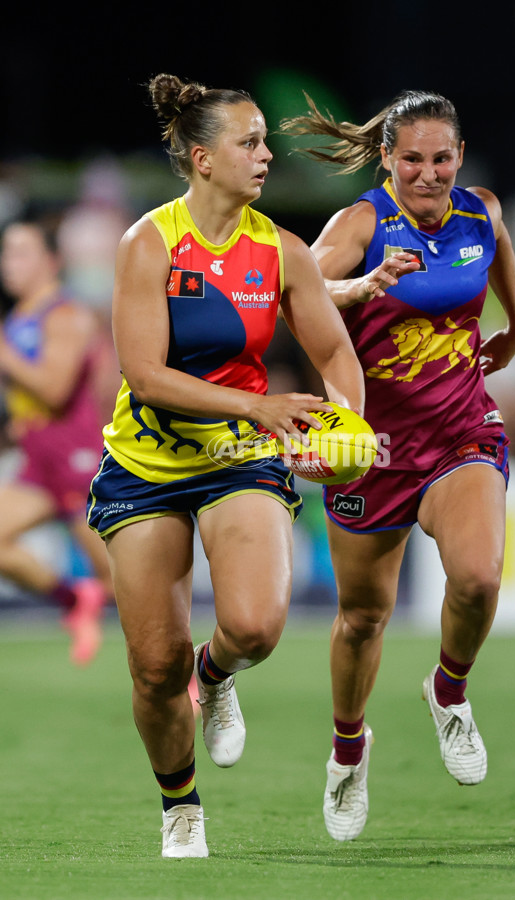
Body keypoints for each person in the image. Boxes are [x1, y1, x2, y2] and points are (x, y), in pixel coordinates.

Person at [85, 72, 365, 859]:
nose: (266, 155)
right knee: (150, 667)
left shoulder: (281, 250)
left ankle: (215, 674)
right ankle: (180, 804)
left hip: (239, 457)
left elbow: (336, 353)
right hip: (146, 463)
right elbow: (146, 375)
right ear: (203, 159)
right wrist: (259, 406)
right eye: (250, 142)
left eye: (265, 141)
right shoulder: (151, 241)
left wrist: (349, 429)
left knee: (254, 624)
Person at [281, 90, 515, 840]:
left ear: (459, 157)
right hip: (373, 449)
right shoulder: (361, 223)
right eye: (413, 159)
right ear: (388, 157)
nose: (429, 174)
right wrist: (361, 286)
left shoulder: (478, 212)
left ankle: (448, 690)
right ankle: (348, 753)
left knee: (481, 576)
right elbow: (301, 292)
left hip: (461, 431)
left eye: (442, 158)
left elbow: (503, 274)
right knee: (362, 619)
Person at [0, 214, 112, 665]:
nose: (9, 264)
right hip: (39, 463)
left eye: (21, 253)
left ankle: (188, 682)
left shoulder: (66, 315)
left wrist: (4, 357)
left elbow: (54, 388)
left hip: (79, 462)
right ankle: (74, 600)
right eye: (7, 253)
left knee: (126, 586)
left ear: (52, 261)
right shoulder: (19, 316)